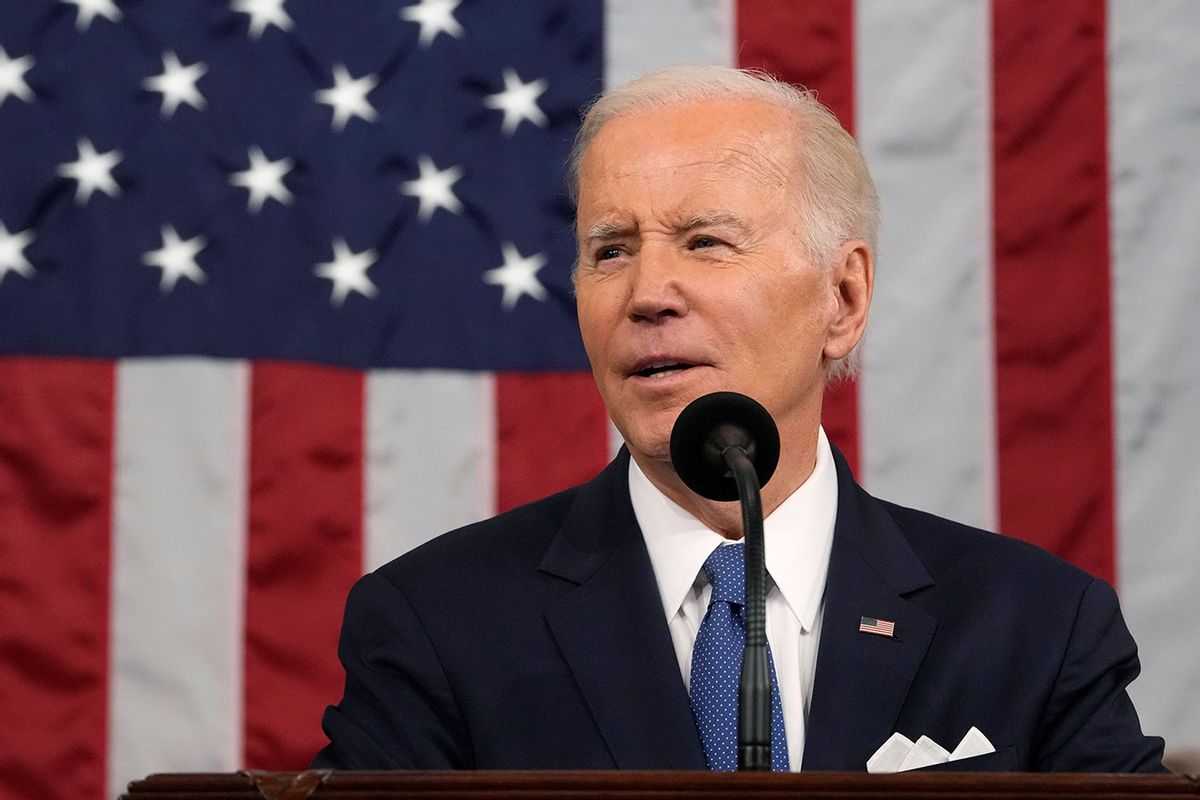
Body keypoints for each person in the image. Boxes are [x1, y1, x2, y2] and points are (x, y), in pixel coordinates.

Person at [312, 66, 1165, 772]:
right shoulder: (437, 623)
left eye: (705, 242)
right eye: (610, 251)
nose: (646, 295)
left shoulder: (1038, 627)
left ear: (844, 296)